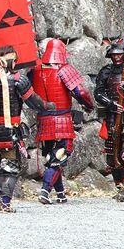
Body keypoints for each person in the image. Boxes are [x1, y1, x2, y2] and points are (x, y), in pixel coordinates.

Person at [0, 45, 53, 212]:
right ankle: (5, 203)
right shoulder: (19, 80)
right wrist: (48, 105)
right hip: (9, 130)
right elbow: (33, 102)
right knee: (11, 168)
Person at [30, 39, 94, 205]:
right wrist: (88, 106)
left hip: (43, 120)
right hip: (61, 121)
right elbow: (80, 91)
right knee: (60, 156)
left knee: (51, 157)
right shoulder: (64, 69)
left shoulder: (35, 70)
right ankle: (45, 191)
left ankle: (60, 193)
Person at [94, 40, 124, 202]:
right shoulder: (106, 71)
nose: (116, 58)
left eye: (119, 54)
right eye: (114, 55)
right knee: (112, 154)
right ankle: (119, 185)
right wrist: (112, 104)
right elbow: (98, 93)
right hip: (112, 116)